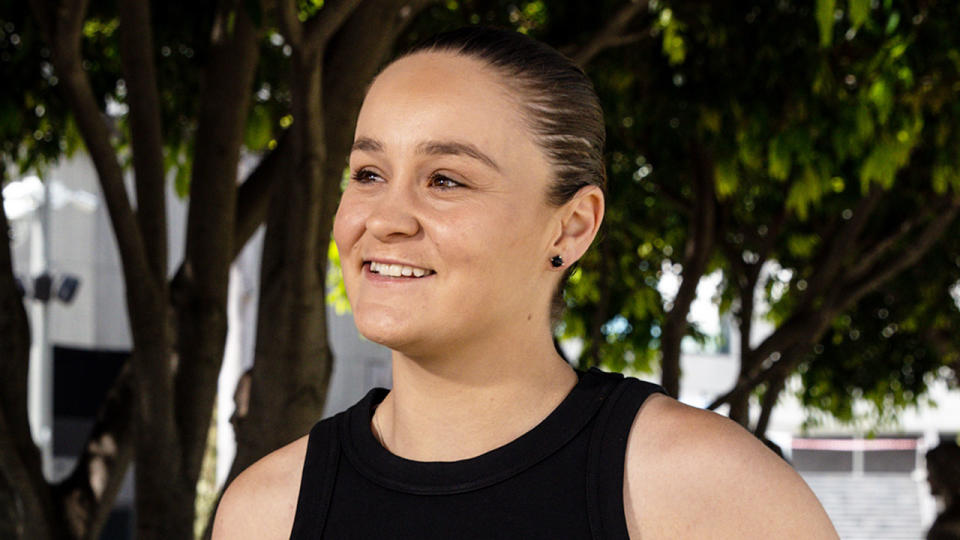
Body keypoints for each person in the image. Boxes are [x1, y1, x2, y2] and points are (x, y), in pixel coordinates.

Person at [212, 26, 838, 539]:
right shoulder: (266, 513)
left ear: (570, 228)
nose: (385, 220)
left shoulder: (705, 494)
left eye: (446, 180)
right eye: (370, 173)